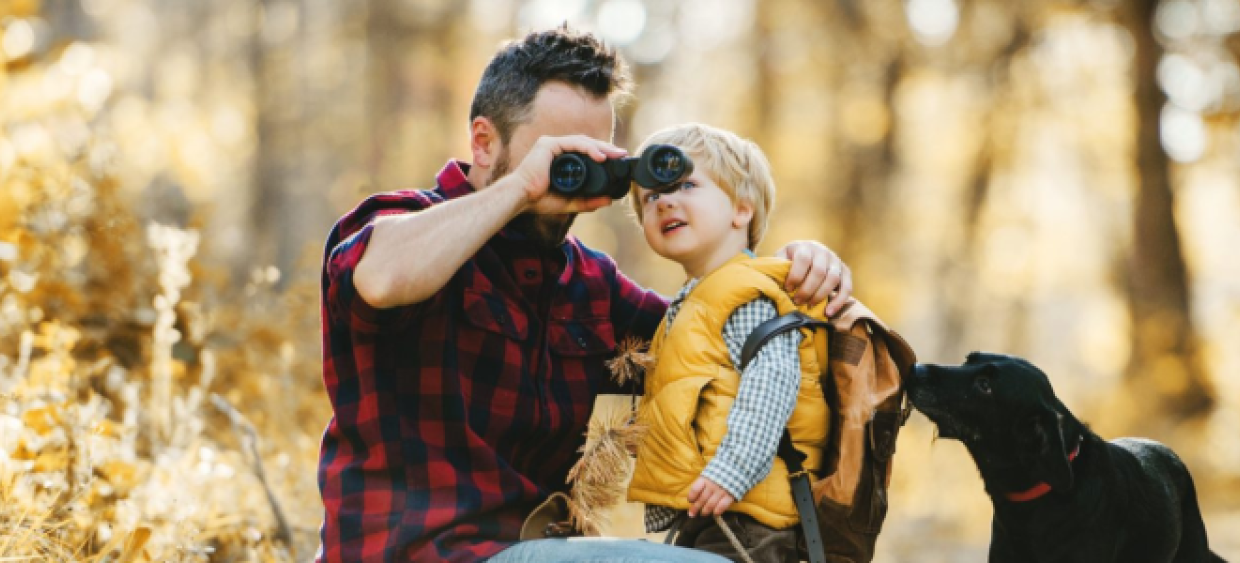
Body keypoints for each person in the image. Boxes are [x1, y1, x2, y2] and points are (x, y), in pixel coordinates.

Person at [315, 28, 855, 562]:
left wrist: (797, 275)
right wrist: (522, 186)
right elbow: (381, 279)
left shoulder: (592, 286)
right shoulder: (402, 222)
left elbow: (718, 345)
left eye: (589, 156)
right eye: (556, 154)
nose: (568, 174)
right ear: (484, 142)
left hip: (534, 550)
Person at [622, 123, 832, 562]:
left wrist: (733, 470)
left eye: (684, 184)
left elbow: (773, 383)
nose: (664, 202)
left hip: (752, 521)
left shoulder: (746, 293)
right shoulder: (697, 302)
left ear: (741, 210)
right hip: (718, 513)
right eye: (650, 197)